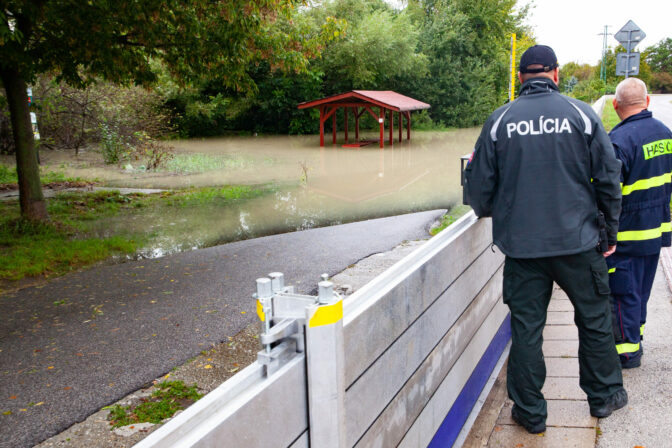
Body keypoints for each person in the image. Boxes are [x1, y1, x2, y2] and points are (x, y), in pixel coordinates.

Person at [464, 45, 627, 434]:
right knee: (594, 320)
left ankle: (531, 413)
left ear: (521, 77)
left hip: (522, 249)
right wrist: (611, 232)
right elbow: (608, 178)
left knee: (527, 329)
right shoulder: (581, 115)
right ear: (554, 74)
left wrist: (499, 210)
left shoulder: (500, 120)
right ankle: (603, 397)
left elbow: (479, 190)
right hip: (578, 241)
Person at [607, 78, 672, 368]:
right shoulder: (665, 134)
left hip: (627, 235)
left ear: (615, 105)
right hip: (655, 232)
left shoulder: (618, 141)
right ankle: (637, 338)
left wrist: (605, 236)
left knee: (623, 294)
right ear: (647, 102)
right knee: (641, 291)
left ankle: (627, 353)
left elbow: (610, 195)